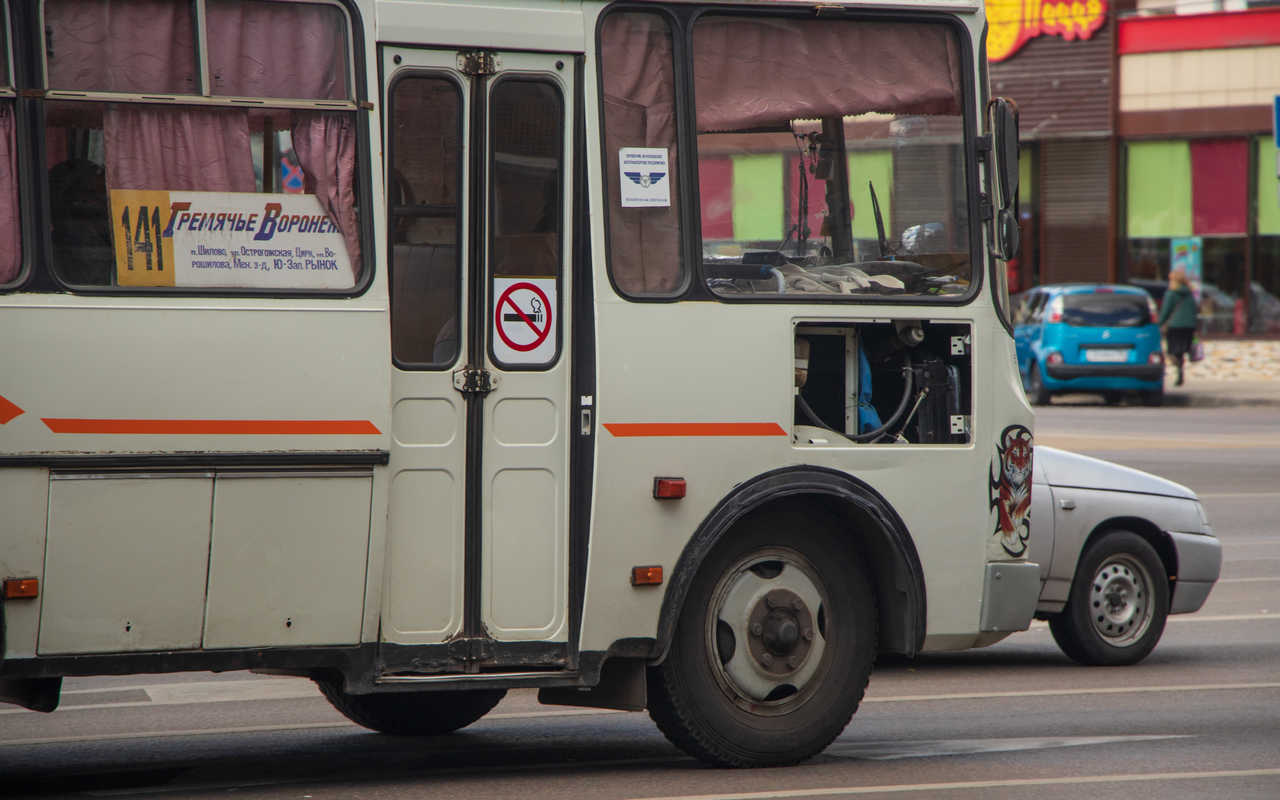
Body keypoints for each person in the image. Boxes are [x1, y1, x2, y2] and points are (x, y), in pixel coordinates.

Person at [1158, 269, 1199, 386]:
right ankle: (1180, 370)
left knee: (1172, 351)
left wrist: (1159, 324)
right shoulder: (1190, 293)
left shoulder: (1171, 293)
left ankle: (1179, 370)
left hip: (1175, 326)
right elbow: (1194, 310)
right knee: (1182, 350)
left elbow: (1166, 311)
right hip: (1189, 326)